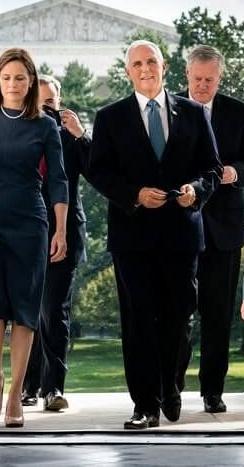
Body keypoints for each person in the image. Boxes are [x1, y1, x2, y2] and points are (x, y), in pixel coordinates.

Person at [87, 40, 223, 429]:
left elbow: (212, 169)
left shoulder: (195, 113)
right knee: (140, 320)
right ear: (127, 71)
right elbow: (99, 172)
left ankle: (171, 386)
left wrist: (197, 190)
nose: (144, 69)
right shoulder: (110, 117)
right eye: (136, 64)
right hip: (133, 237)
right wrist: (133, 194)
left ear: (163, 67)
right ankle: (144, 404)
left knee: (180, 317)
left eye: (151, 62)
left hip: (182, 235)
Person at [0, 47, 69, 428]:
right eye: (6, 77)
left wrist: (62, 230)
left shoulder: (45, 126)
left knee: (25, 309)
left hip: (30, 226)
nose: (13, 84)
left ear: (31, 81)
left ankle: (17, 391)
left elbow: (58, 180)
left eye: (20, 78)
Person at [175, 45, 244, 414]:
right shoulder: (170, 109)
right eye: (196, 79)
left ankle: (212, 391)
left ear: (220, 77)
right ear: (186, 75)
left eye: (209, 80)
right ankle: (172, 388)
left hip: (224, 229)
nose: (202, 86)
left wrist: (236, 173)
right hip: (178, 227)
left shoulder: (238, 112)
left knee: (217, 315)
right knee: (177, 313)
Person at [20, 75, 92, 411]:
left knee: (53, 311)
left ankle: (54, 389)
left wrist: (82, 136)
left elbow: (101, 170)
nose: (48, 108)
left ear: (60, 103)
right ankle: (29, 386)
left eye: (53, 102)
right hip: (25, 234)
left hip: (65, 234)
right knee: (28, 312)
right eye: (42, 102)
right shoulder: (19, 135)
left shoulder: (70, 137)